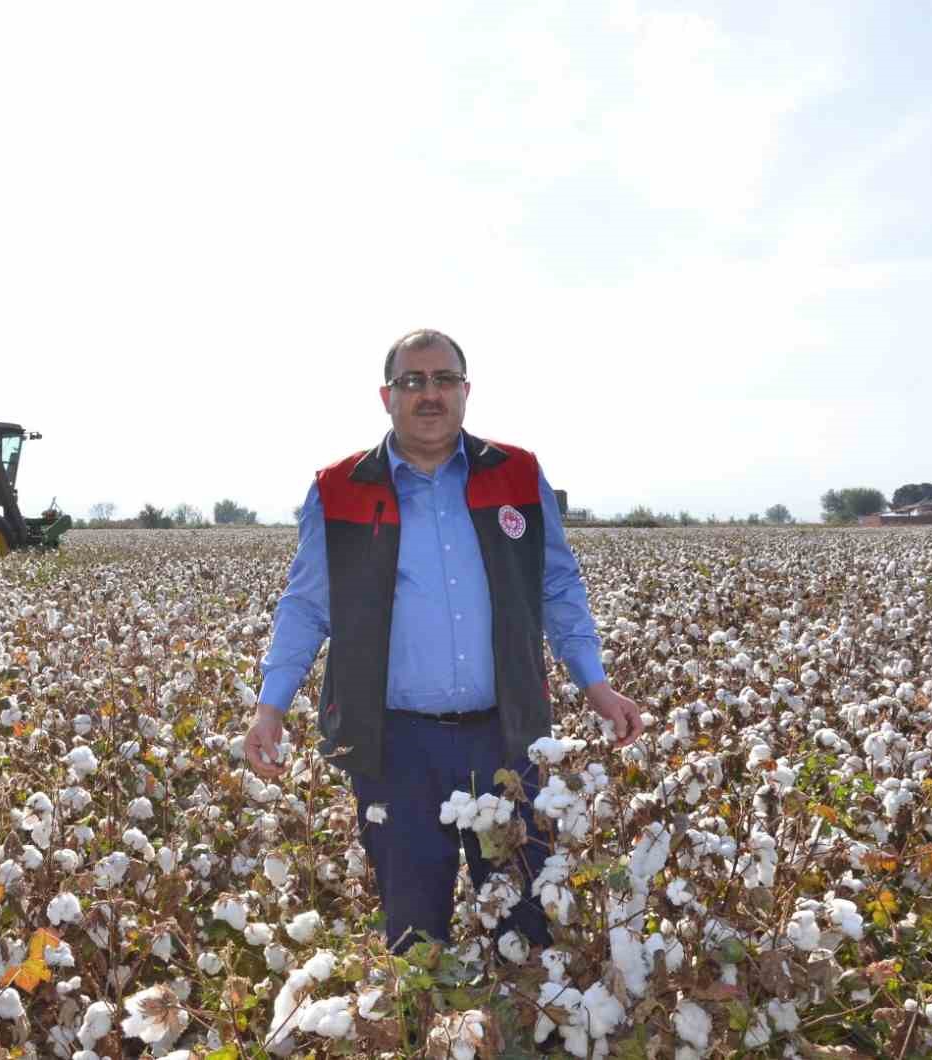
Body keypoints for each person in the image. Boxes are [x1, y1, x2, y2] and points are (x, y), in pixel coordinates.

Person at [244, 327, 643, 955]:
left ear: (466, 390)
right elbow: (306, 603)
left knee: (523, 917)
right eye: (412, 381)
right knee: (414, 926)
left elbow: (557, 587)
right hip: (393, 743)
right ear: (386, 396)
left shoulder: (518, 474)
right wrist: (271, 706)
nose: (429, 394)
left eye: (443, 380)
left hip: (506, 735)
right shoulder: (339, 488)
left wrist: (595, 684)